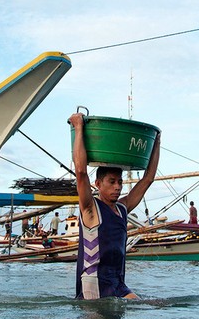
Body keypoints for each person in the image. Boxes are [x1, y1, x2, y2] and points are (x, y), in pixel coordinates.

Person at [68, 112, 160, 299]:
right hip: (94, 286)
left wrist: (156, 141)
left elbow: (148, 178)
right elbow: (80, 172)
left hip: (118, 283)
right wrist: (78, 128)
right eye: (112, 182)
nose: (118, 187)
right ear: (98, 184)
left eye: (120, 182)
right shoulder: (90, 209)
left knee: (148, 305)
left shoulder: (122, 208)